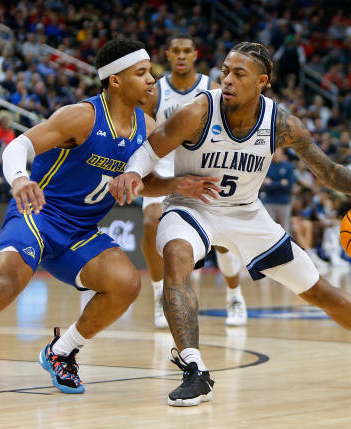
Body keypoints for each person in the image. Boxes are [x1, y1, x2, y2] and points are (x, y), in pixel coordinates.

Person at [110, 42, 351, 407]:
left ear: (262, 82)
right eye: (225, 70)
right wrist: (131, 172)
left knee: (319, 290)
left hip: (246, 213)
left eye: (239, 74)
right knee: (176, 255)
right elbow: (149, 150)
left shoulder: (282, 123)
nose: (227, 79)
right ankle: (194, 369)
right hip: (194, 207)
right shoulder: (199, 111)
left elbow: (328, 170)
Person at [0, 38, 218, 405]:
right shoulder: (81, 116)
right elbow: (18, 146)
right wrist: (19, 178)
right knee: (2, 285)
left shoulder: (145, 125)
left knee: (127, 284)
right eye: (141, 73)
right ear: (114, 80)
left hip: (81, 233)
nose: (150, 80)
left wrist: (177, 184)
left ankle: (61, 351)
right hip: (39, 215)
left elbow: (140, 182)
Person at [141, 33, 247, 328]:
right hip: (163, 169)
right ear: (168, 54)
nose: (182, 55)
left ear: (195, 54)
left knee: (223, 242)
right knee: (151, 224)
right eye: (176, 51)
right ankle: (160, 296)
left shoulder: (210, 88)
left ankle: (234, 295)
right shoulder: (156, 92)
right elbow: (146, 134)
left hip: (202, 170)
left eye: (187, 50)